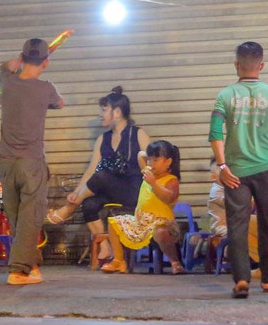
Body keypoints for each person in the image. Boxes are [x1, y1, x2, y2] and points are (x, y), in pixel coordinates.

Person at [210, 42, 268, 298]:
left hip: (236, 172)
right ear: (262, 65)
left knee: (237, 226)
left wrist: (222, 166)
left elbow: (215, 134)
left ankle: (242, 281)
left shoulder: (225, 96)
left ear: (236, 65)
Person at [46, 86, 150, 264]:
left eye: (104, 110)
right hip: (111, 189)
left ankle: (69, 209)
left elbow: (152, 164)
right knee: (89, 203)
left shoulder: (138, 134)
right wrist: (76, 193)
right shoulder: (103, 139)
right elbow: (91, 169)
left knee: (102, 176)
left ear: (117, 112)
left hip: (134, 191)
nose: (101, 115)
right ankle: (105, 247)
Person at [0, 38, 64, 286]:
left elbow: (4, 67)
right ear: (45, 63)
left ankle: (32, 265)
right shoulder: (45, 88)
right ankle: (18, 270)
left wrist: (12, 63)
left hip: (6, 162)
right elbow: (59, 103)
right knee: (31, 217)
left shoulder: (7, 81)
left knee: (16, 218)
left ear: (21, 57)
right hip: (31, 163)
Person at [101, 140, 185, 274]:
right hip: (141, 222)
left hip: (161, 223)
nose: (150, 163)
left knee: (161, 233)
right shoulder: (148, 172)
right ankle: (118, 260)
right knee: (113, 222)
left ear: (168, 162)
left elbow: (168, 197)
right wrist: (152, 154)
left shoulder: (171, 180)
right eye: (150, 160)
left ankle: (175, 262)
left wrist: (154, 184)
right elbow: (140, 155)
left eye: (156, 160)